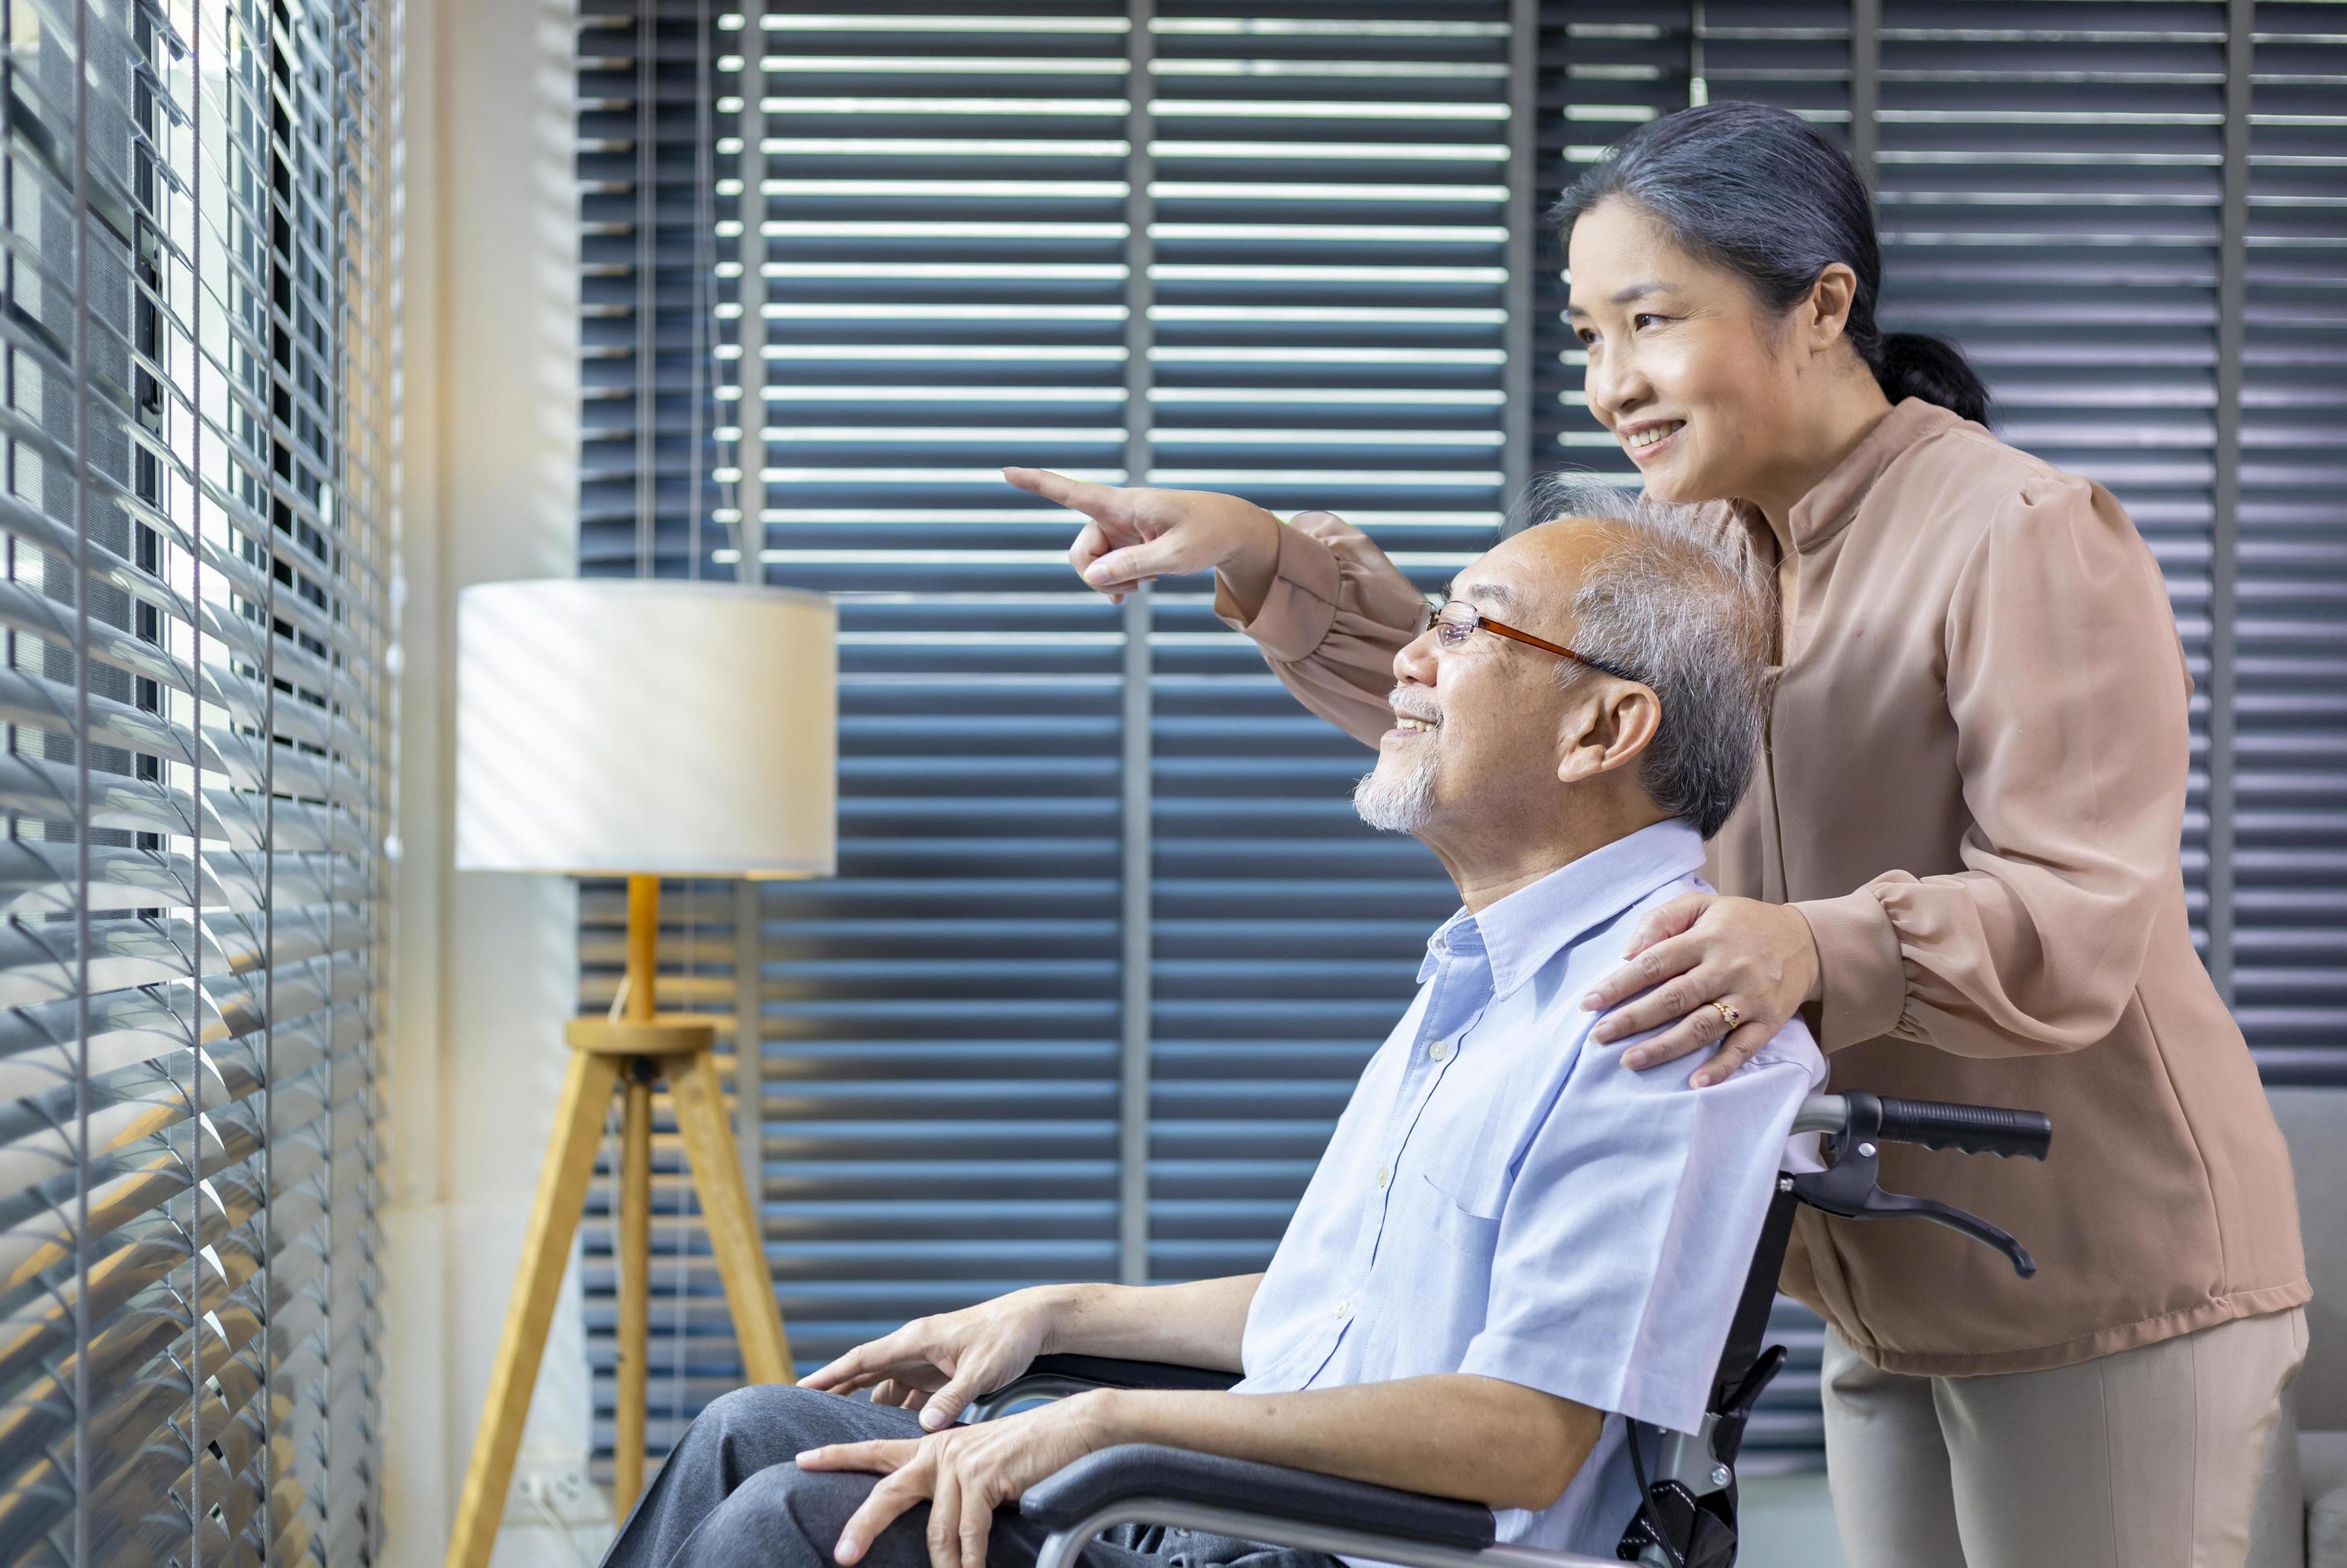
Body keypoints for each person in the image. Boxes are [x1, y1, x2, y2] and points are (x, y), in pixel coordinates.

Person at [1010, 99, 2309, 1568]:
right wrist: (1264, 556)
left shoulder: (2022, 532)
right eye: (1586, 336)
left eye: (1650, 321)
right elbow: (1517, 713)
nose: (1612, 382)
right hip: (1879, 1267)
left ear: (1821, 306)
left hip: (2094, 1271)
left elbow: (2081, 907)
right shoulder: (1693, 540)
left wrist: (1806, 941)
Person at [596, 495, 1825, 1568]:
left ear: (1604, 729)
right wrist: (1064, 1313)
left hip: (1346, 1555)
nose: (1409, 659)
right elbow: (1352, 1312)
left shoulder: (1666, 1008)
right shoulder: (1493, 975)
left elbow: (1526, 1433)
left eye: (1463, 626)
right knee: (750, 1436)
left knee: (796, 1527)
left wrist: (1109, 1418)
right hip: (1239, 1517)